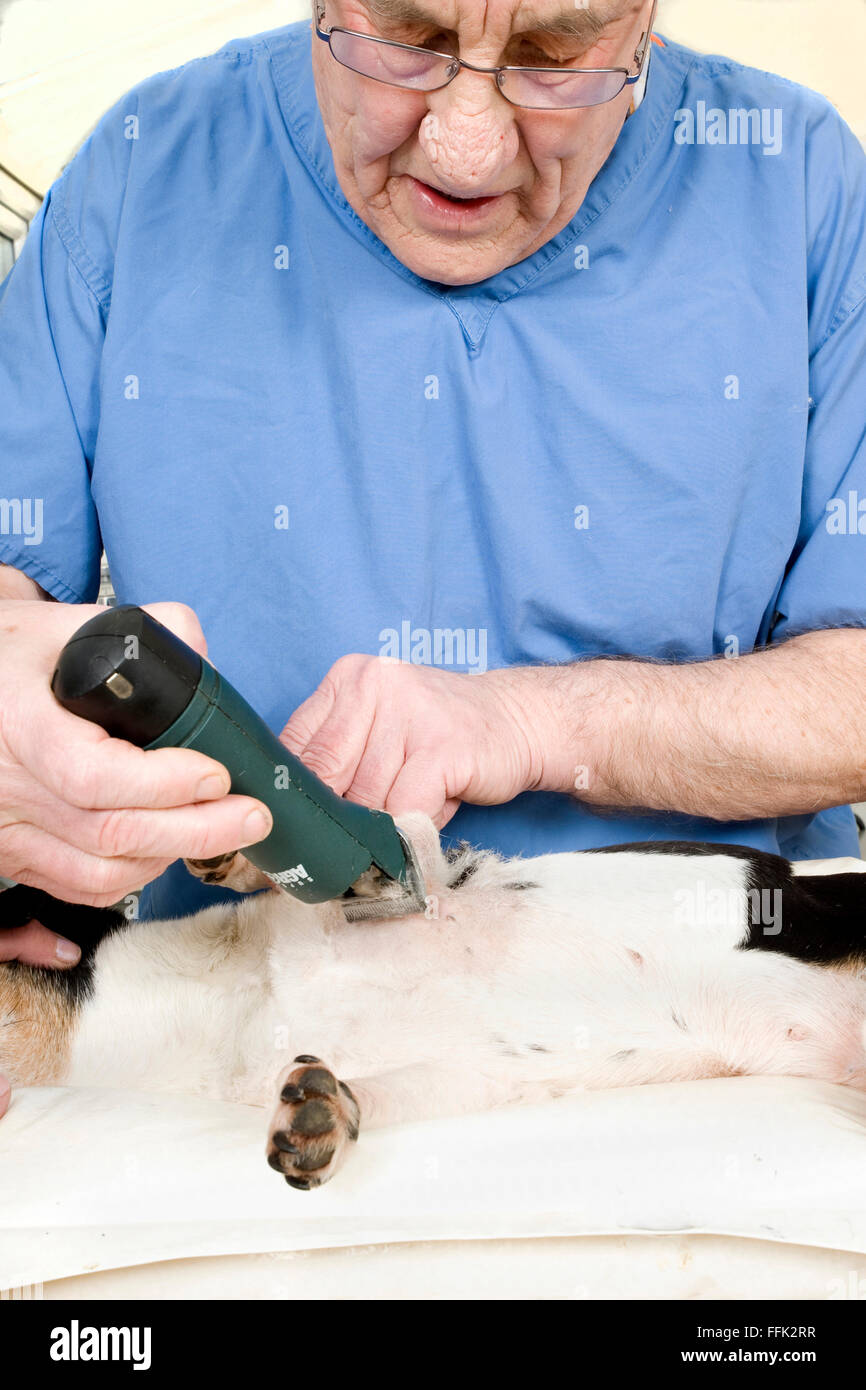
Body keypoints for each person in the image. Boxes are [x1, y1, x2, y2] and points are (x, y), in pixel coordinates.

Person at [1, 0, 865, 1117]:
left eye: (557, 58)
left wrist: (535, 723)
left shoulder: (800, 183)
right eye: (403, 36)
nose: (465, 144)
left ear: (643, 19)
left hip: (732, 1058)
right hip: (239, 1065)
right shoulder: (140, 173)